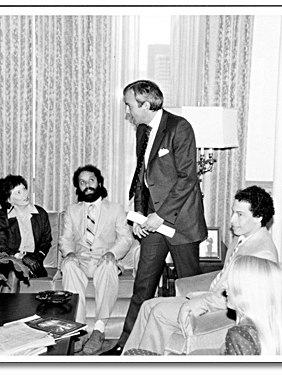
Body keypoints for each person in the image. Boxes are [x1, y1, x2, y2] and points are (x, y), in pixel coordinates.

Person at [103, 80, 207, 355]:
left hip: (180, 223)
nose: (128, 111)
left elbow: (187, 179)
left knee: (190, 288)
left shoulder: (179, 128)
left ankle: (192, 346)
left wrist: (160, 216)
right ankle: (125, 346)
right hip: (152, 225)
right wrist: (139, 217)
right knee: (143, 285)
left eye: (129, 105)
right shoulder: (142, 131)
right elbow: (141, 178)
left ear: (146, 104)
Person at [116, 185, 279, 355]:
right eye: (233, 213)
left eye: (240, 215)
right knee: (148, 305)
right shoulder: (243, 237)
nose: (232, 221)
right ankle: (128, 358)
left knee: (159, 312)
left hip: (221, 310)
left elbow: (244, 301)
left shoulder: (261, 253)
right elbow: (225, 275)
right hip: (210, 296)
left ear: (258, 217)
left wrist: (198, 303)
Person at [125, 255, 282, 356]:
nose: (225, 288)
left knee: (133, 355)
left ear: (248, 292)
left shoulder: (241, 334)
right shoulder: (281, 332)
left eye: (233, 283)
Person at [59, 165, 133, 355]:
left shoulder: (115, 209)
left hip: (104, 260)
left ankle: (98, 330)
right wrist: (69, 254)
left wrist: (113, 253)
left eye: (91, 180)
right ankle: (80, 330)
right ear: (78, 187)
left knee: (108, 265)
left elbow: (125, 239)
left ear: (99, 182)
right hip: (81, 261)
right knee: (67, 266)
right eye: (82, 183)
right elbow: (65, 240)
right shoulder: (72, 210)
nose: (87, 185)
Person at [0, 174, 52, 292]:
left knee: (14, 273)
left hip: (33, 263)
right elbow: (0, 245)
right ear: (8, 199)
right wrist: (21, 257)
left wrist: (38, 257)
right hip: (8, 261)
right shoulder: (0, 218)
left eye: (24, 189)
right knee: (11, 273)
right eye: (18, 192)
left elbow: (46, 241)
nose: (25, 194)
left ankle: (7, 309)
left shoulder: (40, 214)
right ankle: (5, 309)